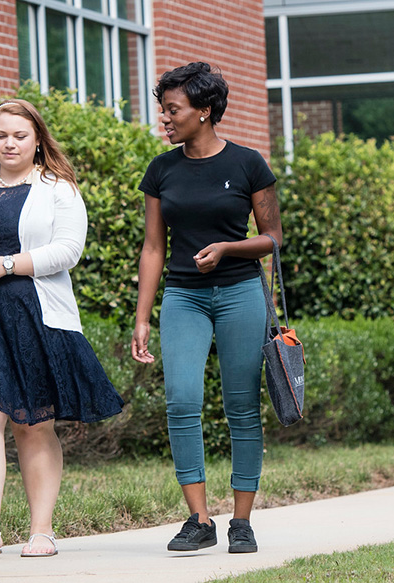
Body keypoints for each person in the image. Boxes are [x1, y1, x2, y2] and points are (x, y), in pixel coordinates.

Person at [0, 98, 124, 559]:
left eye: (19, 135)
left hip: (35, 315)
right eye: (1, 135)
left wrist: (7, 265)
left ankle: (41, 532)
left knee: (32, 423)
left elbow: (67, 250)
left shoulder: (58, 188)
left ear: (37, 139)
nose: (9, 143)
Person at [131, 62, 283, 555]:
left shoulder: (247, 164)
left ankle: (241, 521)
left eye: (173, 109)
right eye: (164, 109)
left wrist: (225, 248)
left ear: (204, 110)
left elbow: (273, 239)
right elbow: (154, 248)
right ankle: (199, 519)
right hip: (183, 297)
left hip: (240, 292)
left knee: (241, 406)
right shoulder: (161, 170)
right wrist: (142, 316)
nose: (165, 119)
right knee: (180, 401)